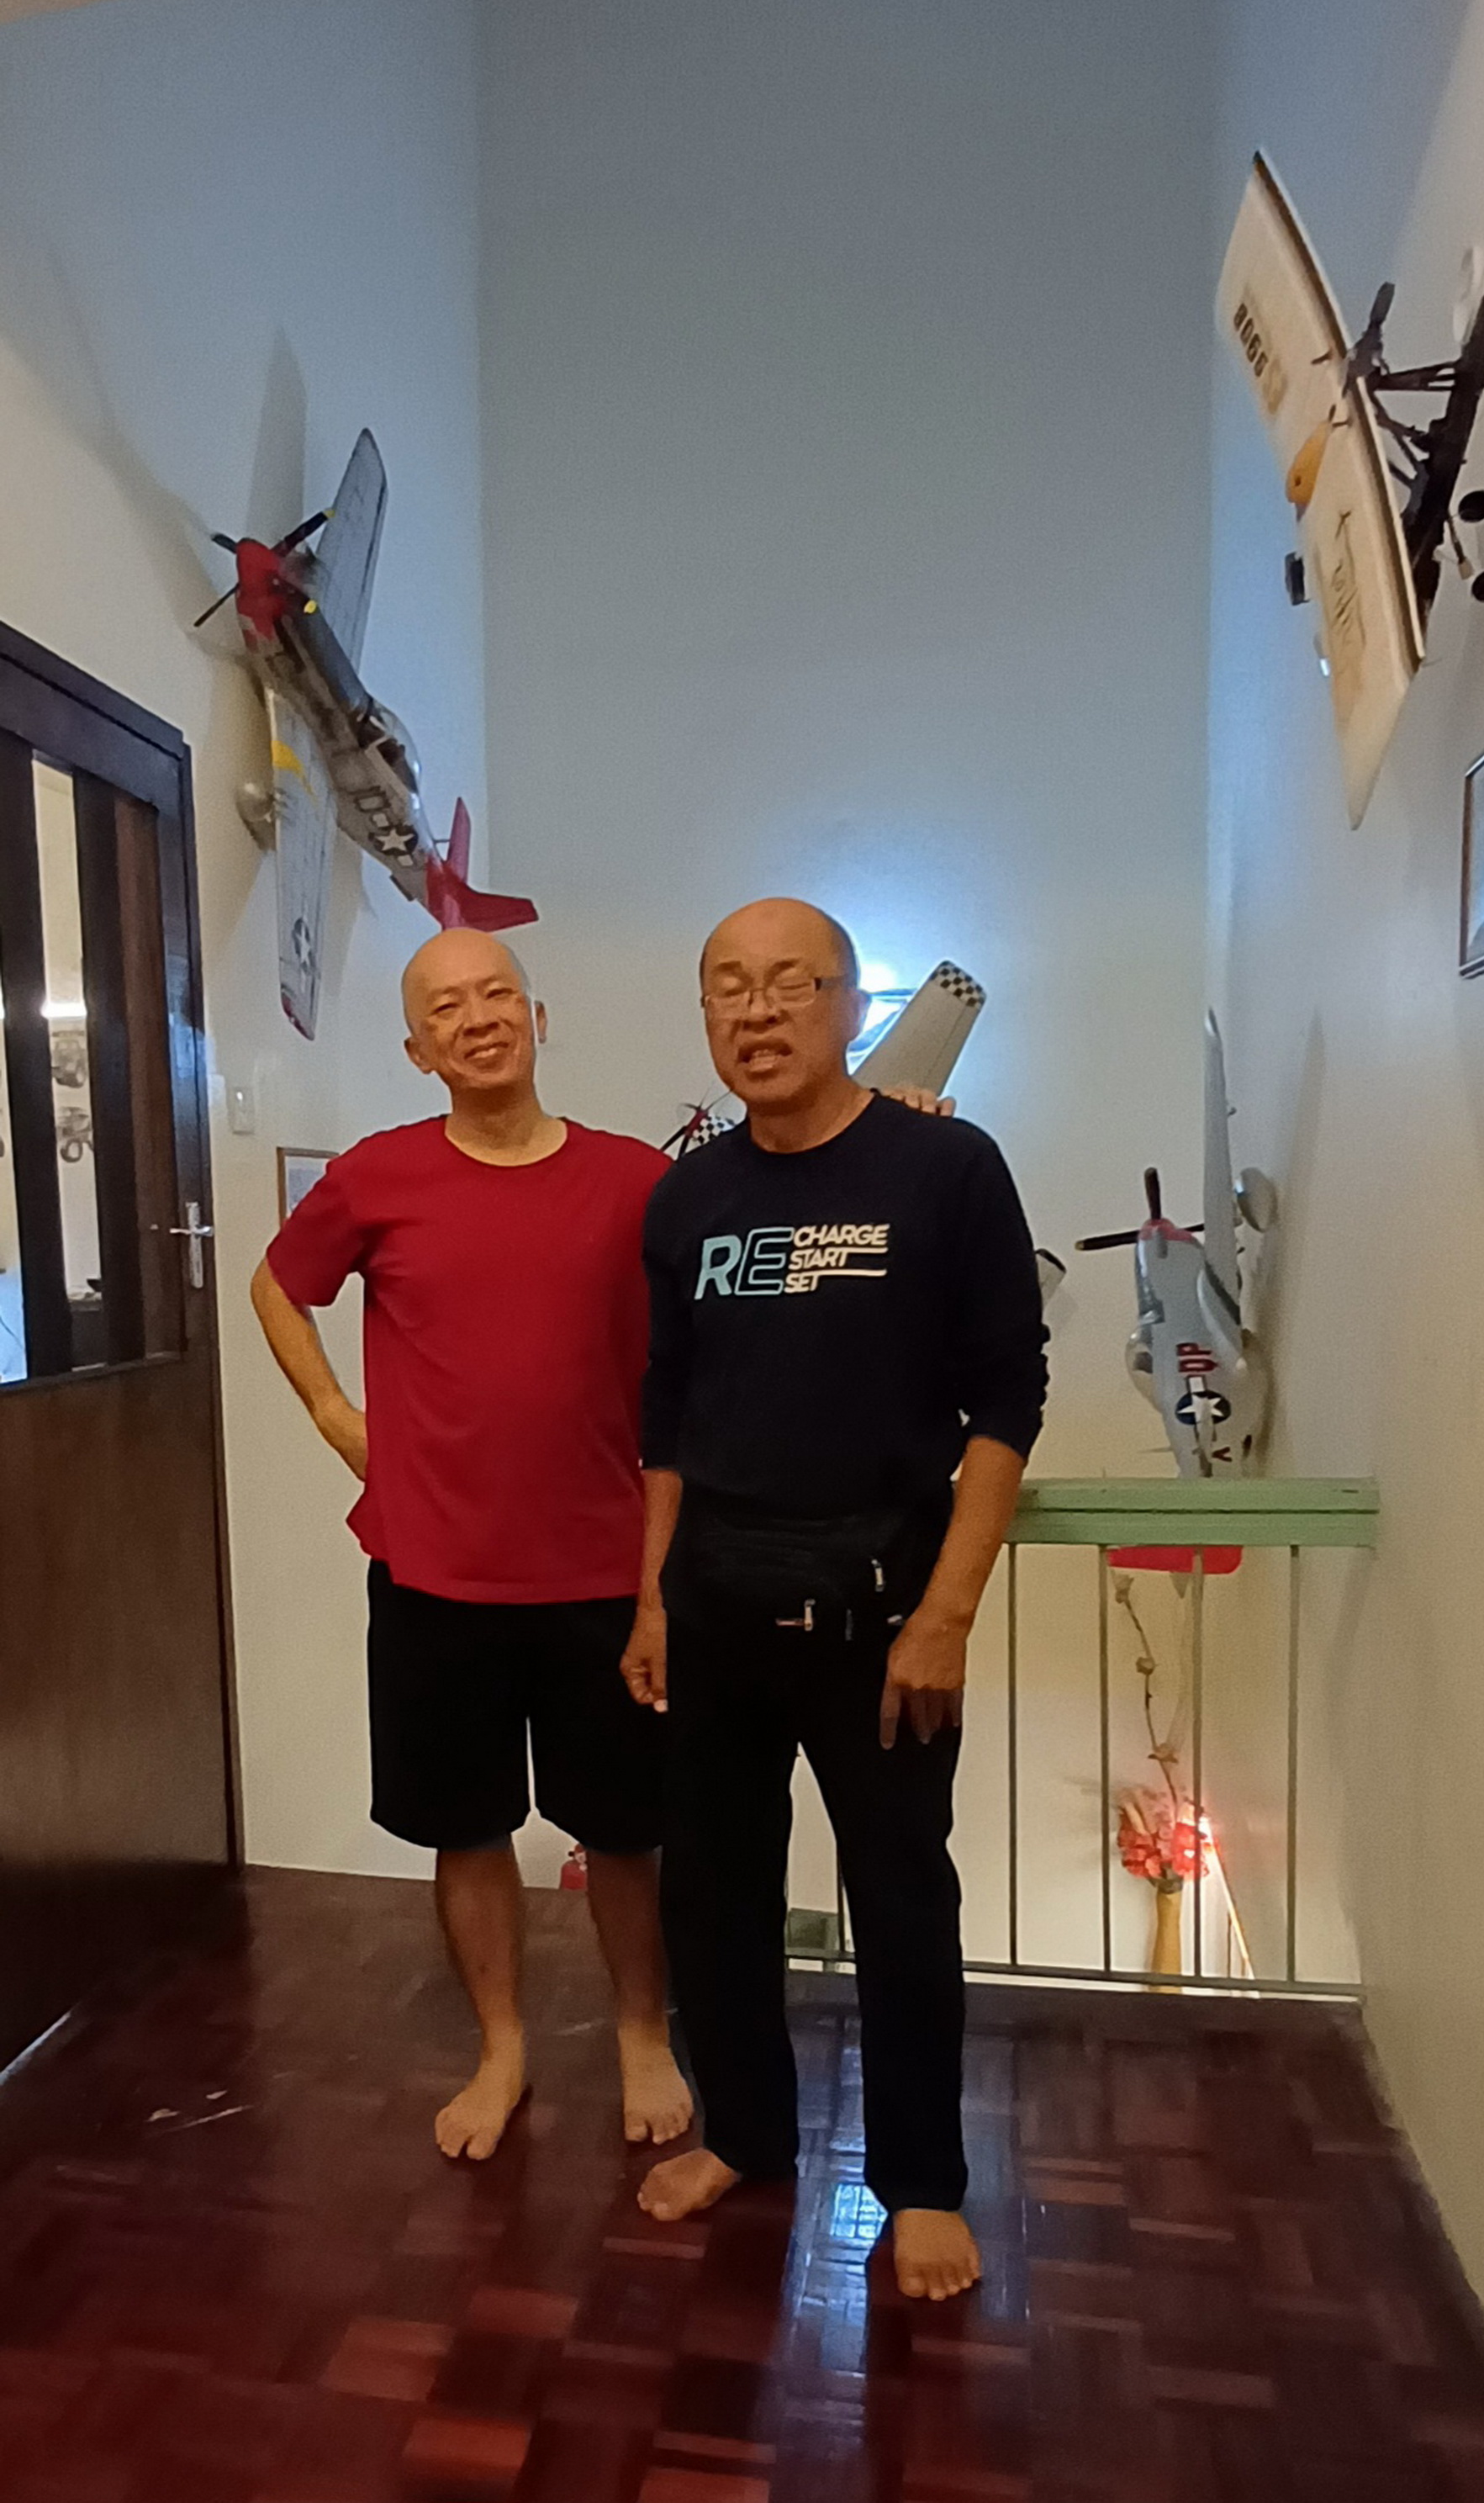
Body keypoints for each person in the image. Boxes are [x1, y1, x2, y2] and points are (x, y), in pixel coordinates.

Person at [623, 897, 1048, 2302]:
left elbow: (1009, 1400)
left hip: (882, 1615)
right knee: (713, 1896)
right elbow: (668, 1419)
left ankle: (920, 2182)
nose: (756, 1011)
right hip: (716, 1602)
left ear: (852, 1003)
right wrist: (651, 1600)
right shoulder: (686, 1199)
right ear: (706, 1014)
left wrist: (949, 1612)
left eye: (789, 983)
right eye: (726, 986)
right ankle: (745, 2131)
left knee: (902, 1899)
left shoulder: (947, 1167)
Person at [250, 927, 690, 2164]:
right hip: (432, 1570)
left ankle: (641, 2035)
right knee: (466, 1822)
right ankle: (501, 2047)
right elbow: (277, 1286)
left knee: (625, 1829)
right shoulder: (377, 1175)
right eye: (446, 1007)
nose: (477, 1018)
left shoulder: (636, 1182)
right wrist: (337, 1416)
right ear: (417, 1049)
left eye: (498, 994)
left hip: (604, 1572)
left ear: (537, 1019)